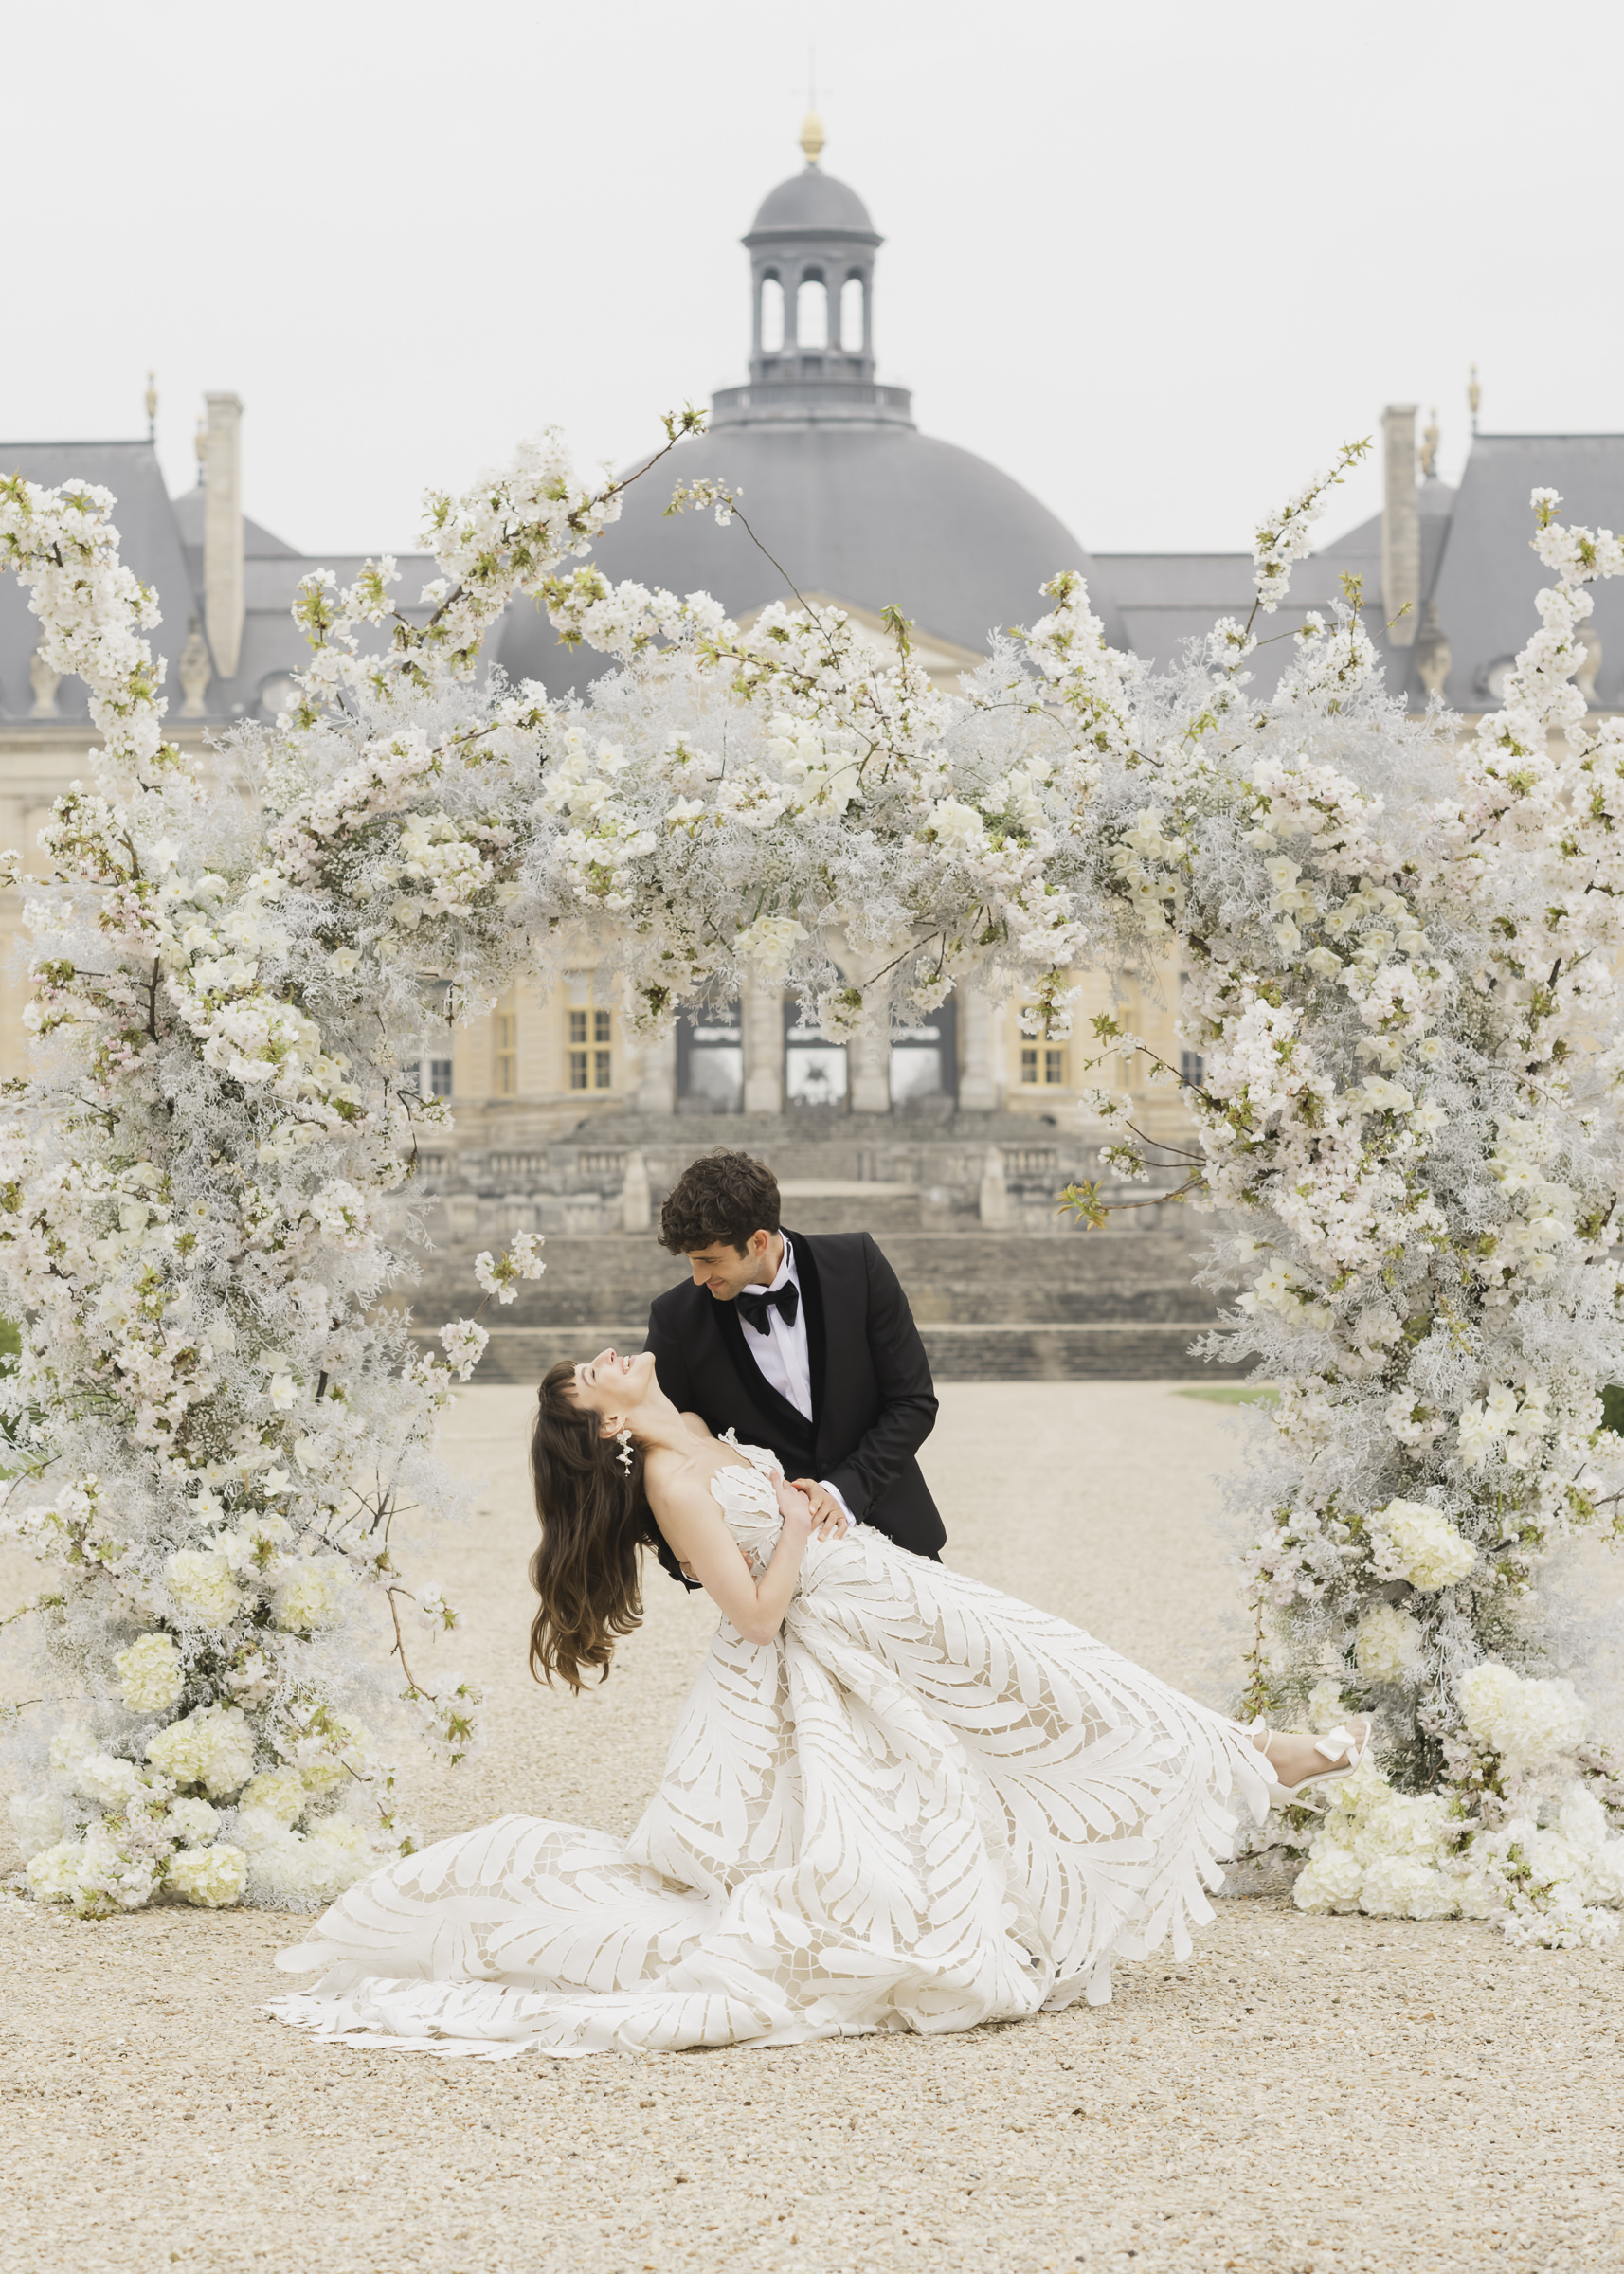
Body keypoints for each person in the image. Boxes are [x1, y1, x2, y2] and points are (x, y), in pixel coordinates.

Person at [269, 1351, 1369, 2060]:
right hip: (847, 1619)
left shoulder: (693, 1426)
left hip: (892, 1593)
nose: (606, 1357)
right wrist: (798, 1521)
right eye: (587, 1376)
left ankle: (1244, 1758)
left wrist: (802, 1504)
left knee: (1065, 1686)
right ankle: (1260, 1758)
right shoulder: (667, 1476)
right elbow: (750, 1612)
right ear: (605, 1428)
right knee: (1055, 1700)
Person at [642, 1148, 943, 1586]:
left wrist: (844, 1493)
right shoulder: (677, 1319)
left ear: (758, 1241)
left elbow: (912, 1401)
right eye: (690, 1260)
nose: (697, 1277)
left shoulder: (858, 1264)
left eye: (708, 1259)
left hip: (898, 1532)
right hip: (777, 1573)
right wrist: (686, 1552)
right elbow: (660, 1448)